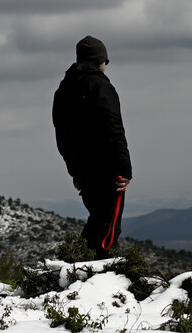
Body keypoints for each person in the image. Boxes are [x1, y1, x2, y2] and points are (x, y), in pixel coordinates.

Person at [52, 35, 132, 258]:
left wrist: (75, 172)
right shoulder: (100, 85)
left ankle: (77, 267)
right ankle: (94, 275)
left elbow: (63, 135)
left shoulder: (64, 90)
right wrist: (124, 170)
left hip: (84, 173)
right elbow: (113, 128)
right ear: (100, 61)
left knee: (98, 220)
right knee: (107, 229)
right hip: (107, 171)